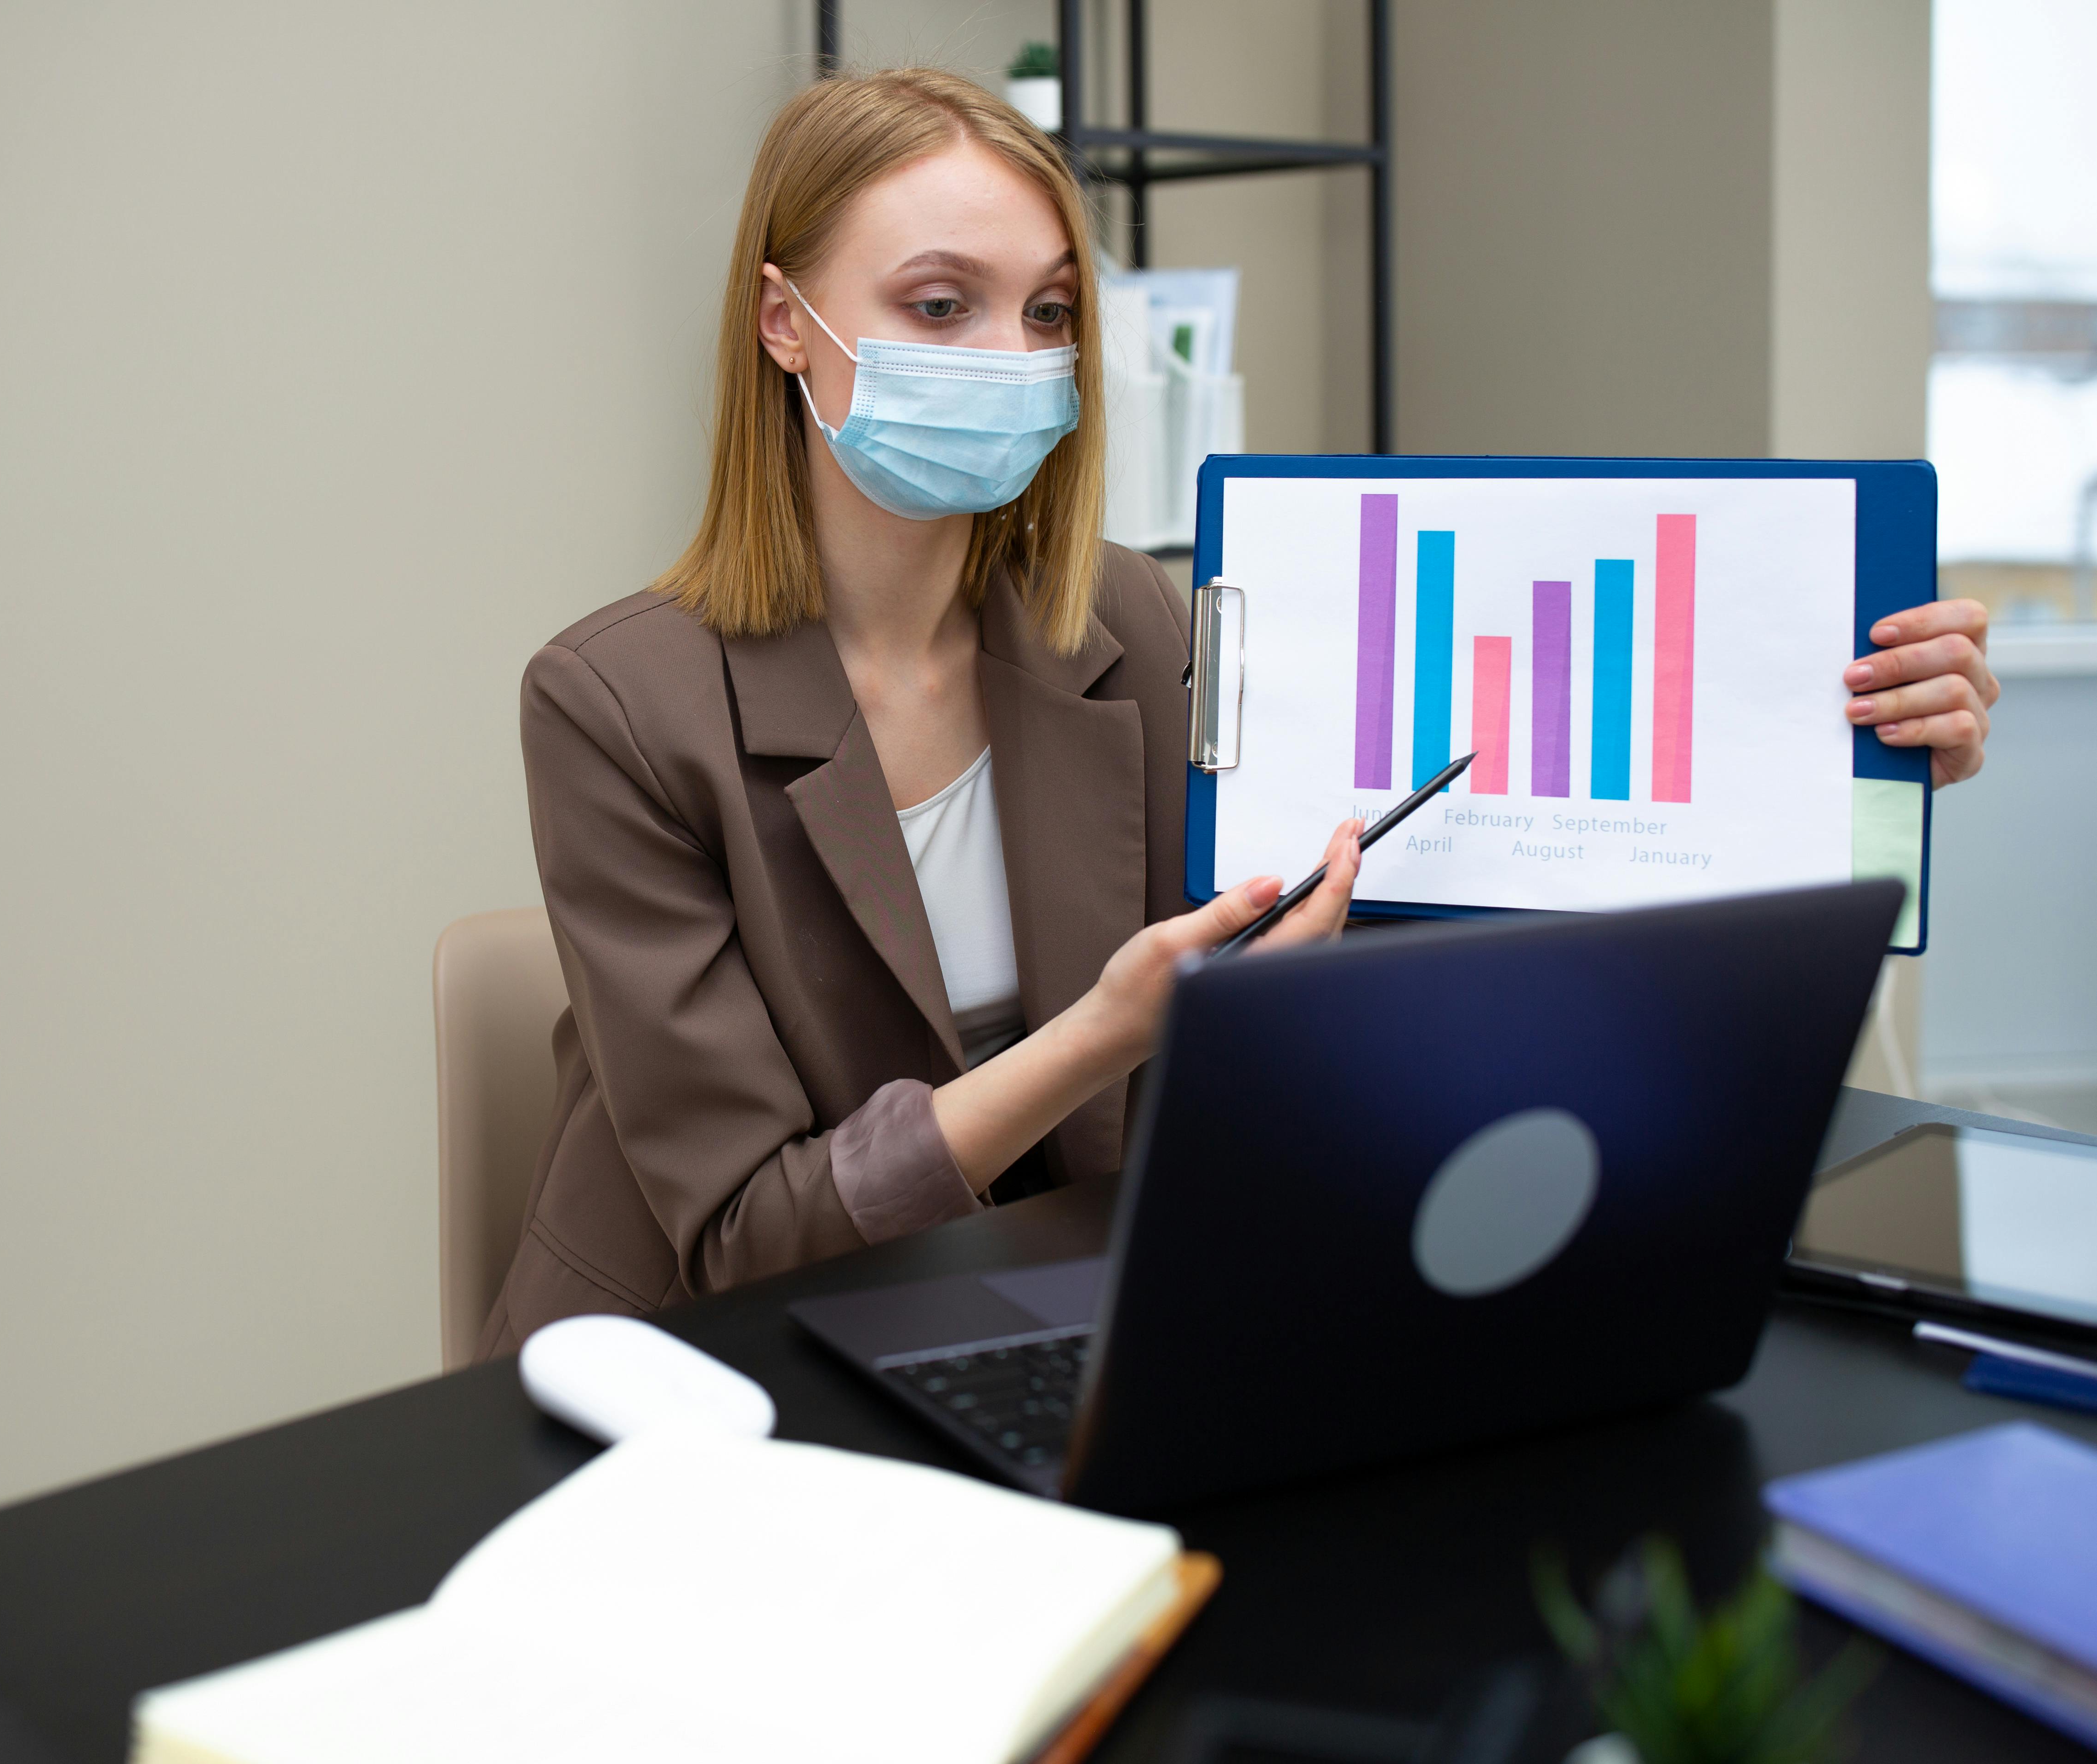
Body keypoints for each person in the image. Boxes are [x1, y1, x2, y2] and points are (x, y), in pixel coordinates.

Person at [475, 68, 2001, 1356]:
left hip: (1053, 1313)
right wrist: (1104, 1038)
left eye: (1050, 313)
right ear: (783, 321)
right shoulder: (616, 706)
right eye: (941, 305)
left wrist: (1852, 744)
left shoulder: (1128, 626)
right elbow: (751, 1236)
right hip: (712, 1377)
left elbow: (1435, 881)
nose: (1013, 362)